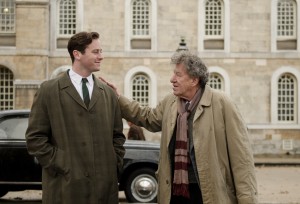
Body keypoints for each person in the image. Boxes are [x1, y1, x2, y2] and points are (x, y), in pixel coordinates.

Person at [102, 51, 258, 204]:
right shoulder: (170, 102)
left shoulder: (223, 103)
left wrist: (247, 200)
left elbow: (242, 159)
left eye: (178, 75)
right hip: (175, 193)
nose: (172, 79)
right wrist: (118, 99)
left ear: (194, 80)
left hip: (209, 194)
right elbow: (147, 117)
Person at [25, 31, 126, 204]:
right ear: (77, 54)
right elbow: (35, 139)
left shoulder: (109, 93)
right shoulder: (48, 91)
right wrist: (63, 163)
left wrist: (112, 163)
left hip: (103, 190)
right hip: (64, 189)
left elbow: (118, 137)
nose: (101, 56)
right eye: (96, 52)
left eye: (101, 51)